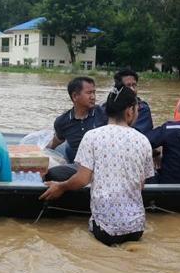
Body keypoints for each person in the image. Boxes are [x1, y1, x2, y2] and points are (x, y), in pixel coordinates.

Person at [40, 84, 154, 247]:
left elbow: (81, 179)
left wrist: (61, 186)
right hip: (136, 228)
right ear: (130, 111)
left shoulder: (92, 137)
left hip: (104, 230)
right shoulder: (143, 141)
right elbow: (140, 185)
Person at [46, 76, 106, 163]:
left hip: (103, 165)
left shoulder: (103, 113)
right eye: (89, 93)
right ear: (75, 96)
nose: (93, 97)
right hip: (78, 167)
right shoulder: (62, 122)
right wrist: (40, 152)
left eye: (94, 92)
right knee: (51, 173)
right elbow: (54, 142)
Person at [113, 69, 153, 134]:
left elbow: (139, 134)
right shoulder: (107, 108)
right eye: (128, 85)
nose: (132, 89)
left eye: (134, 85)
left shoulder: (143, 109)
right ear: (118, 88)